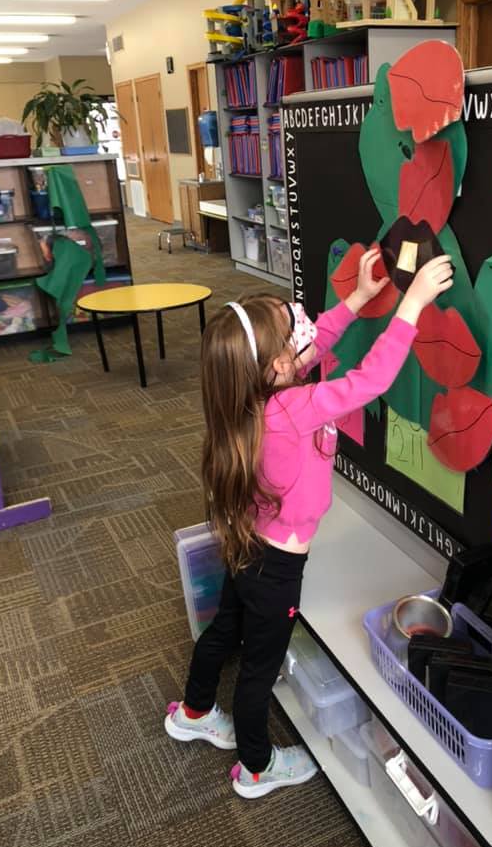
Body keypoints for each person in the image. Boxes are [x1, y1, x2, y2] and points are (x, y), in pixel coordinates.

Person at [165, 247, 454, 799]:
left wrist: (362, 297)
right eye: (292, 325)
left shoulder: (249, 396)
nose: (305, 323)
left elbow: (315, 341)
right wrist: (410, 306)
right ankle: (256, 768)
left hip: (245, 544)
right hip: (275, 571)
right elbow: (369, 381)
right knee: (259, 668)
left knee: (223, 629)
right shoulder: (295, 407)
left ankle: (194, 710)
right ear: (277, 366)